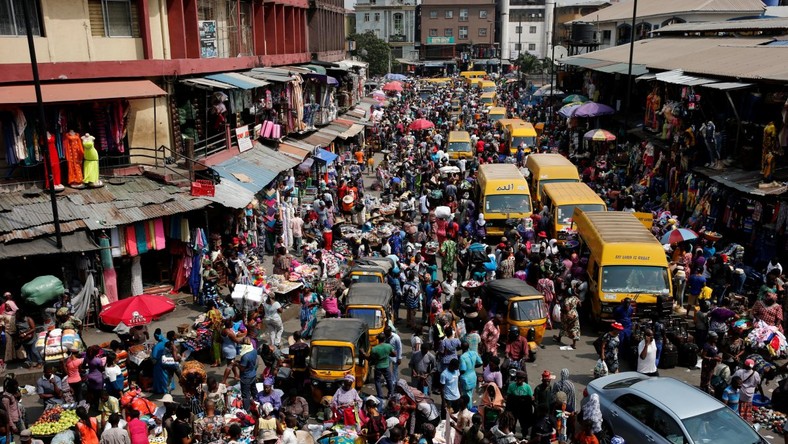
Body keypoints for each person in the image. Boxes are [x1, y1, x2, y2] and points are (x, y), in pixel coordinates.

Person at [505, 370, 533, 437]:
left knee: (524, 424)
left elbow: (531, 398)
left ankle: (524, 436)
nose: (519, 380)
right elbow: (508, 396)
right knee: (512, 423)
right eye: (518, 378)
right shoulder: (511, 386)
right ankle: (511, 436)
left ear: (524, 379)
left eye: (521, 378)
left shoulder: (527, 387)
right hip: (514, 408)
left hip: (523, 409)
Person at [733, 358, 761, 422]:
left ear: (745, 365)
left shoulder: (739, 372)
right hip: (750, 396)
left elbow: (732, 379)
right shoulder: (756, 374)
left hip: (740, 394)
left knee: (739, 408)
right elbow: (758, 383)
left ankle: (738, 419)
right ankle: (745, 420)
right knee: (747, 409)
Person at [371, 333, 396, 399]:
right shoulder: (389, 346)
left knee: (377, 381)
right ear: (384, 339)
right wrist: (387, 354)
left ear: (378, 339)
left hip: (378, 367)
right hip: (386, 366)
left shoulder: (374, 349)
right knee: (389, 380)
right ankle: (391, 394)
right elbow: (394, 354)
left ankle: (380, 396)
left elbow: (371, 358)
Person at [458, 341, 482, 409]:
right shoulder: (474, 353)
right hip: (473, 376)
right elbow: (480, 362)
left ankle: (469, 409)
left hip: (466, 378)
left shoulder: (462, 357)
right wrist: (472, 367)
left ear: (461, 348)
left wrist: (458, 375)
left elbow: (463, 369)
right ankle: (469, 408)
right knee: (470, 394)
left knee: (467, 396)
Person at [238, 339, 258, 411]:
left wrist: (236, 364)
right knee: (253, 388)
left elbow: (242, 368)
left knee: (246, 395)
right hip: (253, 374)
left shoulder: (245, 356)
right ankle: (257, 402)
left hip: (246, 377)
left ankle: (247, 410)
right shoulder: (254, 351)